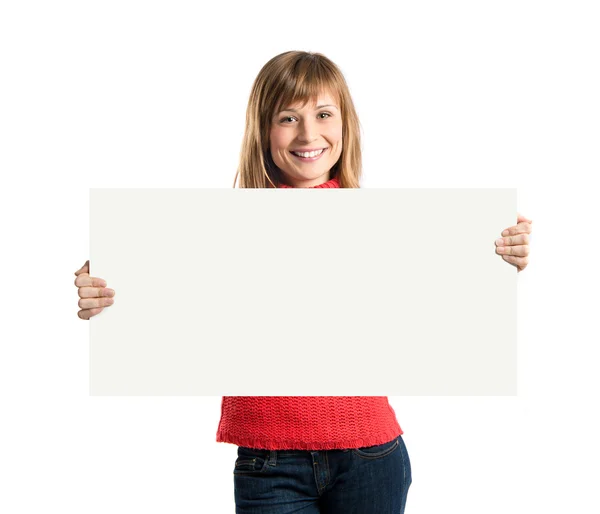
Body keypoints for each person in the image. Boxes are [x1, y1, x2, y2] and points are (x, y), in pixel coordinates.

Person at [74, 51, 533, 513]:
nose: (308, 134)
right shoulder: (216, 231)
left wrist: (499, 255)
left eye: (323, 114)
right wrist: (111, 286)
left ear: (344, 125)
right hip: (269, 465)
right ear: (263, 130)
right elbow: (164, 304)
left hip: (371, 454)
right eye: (288, 117)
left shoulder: (387, 228)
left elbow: (443, 307)